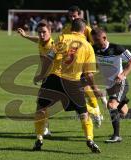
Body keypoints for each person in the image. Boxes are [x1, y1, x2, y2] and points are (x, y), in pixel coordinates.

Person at [32, 19, 101, 153]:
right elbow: (89, 74)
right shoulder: (88, 46)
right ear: (84, 30)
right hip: (73, 83)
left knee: (41, 108)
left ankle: (39, 138)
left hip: (54, 78)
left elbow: (49, 58)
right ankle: (89, 139)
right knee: (83, 114)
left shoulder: (62, 37)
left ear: (72, 28)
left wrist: (41, 75)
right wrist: (96, 89)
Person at [91, 28, 131, 143]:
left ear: (104, 38)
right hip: (109, 85)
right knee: (123, 113)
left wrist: (122, 74)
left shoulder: (117, 48)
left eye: (97, 40)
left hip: (120, 83)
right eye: (94, 41)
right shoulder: (94, 48)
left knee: (111, 106)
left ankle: (116, 136)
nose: (96, 43)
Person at [62, 5, 106, 127]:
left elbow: (95, 44)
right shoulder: (66, 29)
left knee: (85, 88)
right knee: (81, 91)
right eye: (70, 15)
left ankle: (95, 111)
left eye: (74, 16)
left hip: (85, 62)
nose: (72, 18)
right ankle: (94, 111)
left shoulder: (86, 29)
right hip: (71, 65)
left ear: (79, 15)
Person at [18, 20, 54, 136]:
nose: (41, 35)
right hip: (48, 78)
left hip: (56, 78)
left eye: (44, 32)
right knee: (42, 104)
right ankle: (45, 128)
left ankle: (95, 112)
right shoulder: (41, 41)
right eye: (39, 32)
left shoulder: (53, 46)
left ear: (50, 32)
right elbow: (37, 40)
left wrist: (40, 76)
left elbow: (48, 63)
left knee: (43, 104)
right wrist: (25, 36)